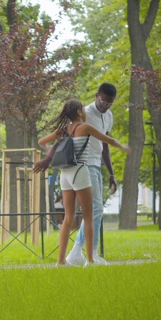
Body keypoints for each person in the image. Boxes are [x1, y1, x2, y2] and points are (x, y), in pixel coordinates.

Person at [36, 98, 130, 266]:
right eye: (83, 110)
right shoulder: (84, 127)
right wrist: (123, 147)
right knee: (89, 216)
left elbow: (41, 142)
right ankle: (91, 260)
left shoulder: (63, 129)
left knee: (68, 218)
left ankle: (60, 261)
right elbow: (107, 140)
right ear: (79, 112)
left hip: (65, 174)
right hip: (80, 171)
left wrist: (50, 151)